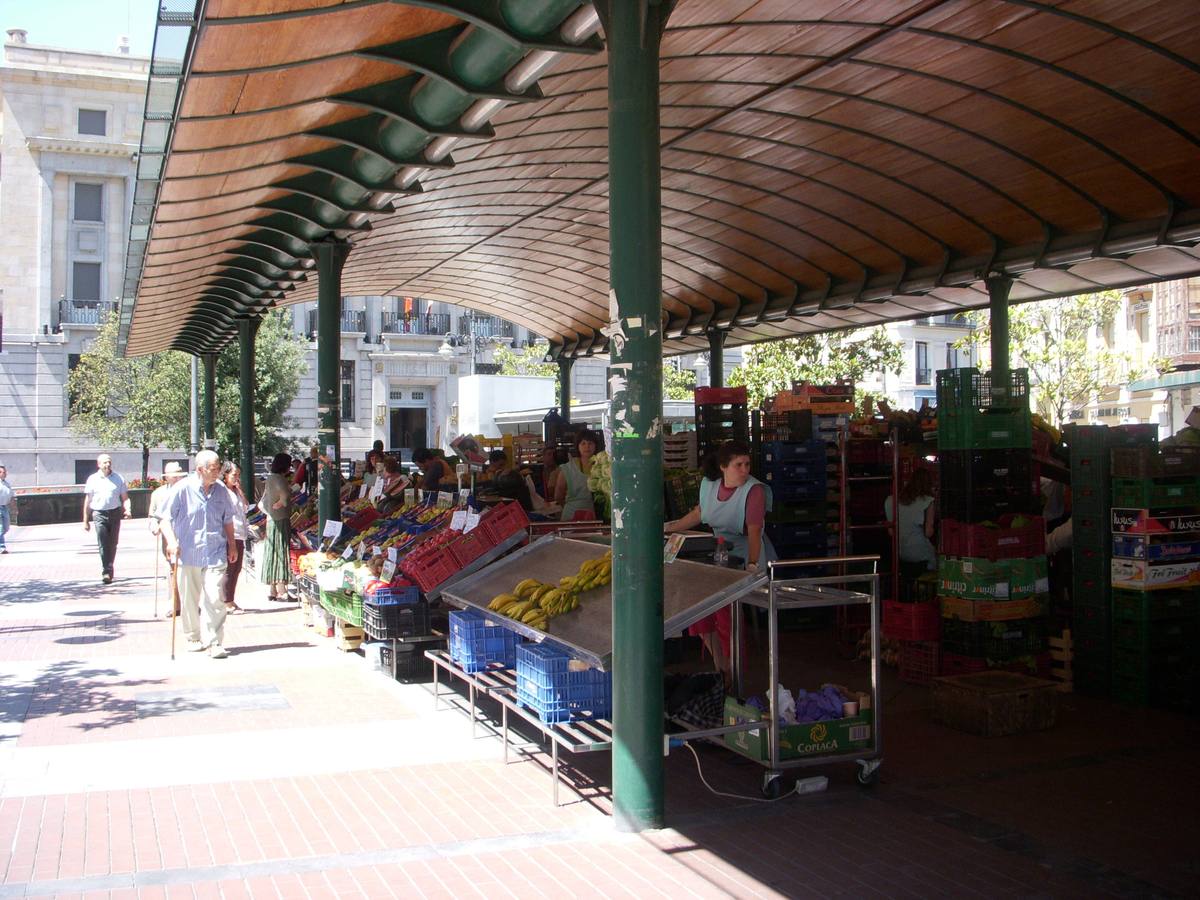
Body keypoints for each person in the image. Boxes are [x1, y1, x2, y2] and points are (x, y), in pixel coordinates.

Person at [665, 440, 776, 686]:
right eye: (739, 465)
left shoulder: (754, 491)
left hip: (746, 556)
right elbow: (698, 514)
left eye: (747, 464)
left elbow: (755, 531)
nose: (745, 470)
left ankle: (734, 675)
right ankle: (721, 668)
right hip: (717, 555)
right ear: (724, 467)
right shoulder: (709, 485)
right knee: (699, 612)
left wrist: (752, 566)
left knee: (727, 615)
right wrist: (669, 528)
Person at [159, 450, 239, 658]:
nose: (218, 472)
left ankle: (215, 642)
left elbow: (227, 519)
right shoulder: (182, 489)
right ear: (200, 469)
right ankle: (193, 636)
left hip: (215, 552)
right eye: (214, 469)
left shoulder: (221, 491)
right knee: (189, 599)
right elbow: (165, 519)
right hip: (189, 553)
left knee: (215, 597)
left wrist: (232, 544)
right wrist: (172, 541)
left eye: (219, 468)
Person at [884, 466, 937, 600]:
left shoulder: (891, 500)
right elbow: (928, 532)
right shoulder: (928, 501)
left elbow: (891, 532)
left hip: (900, 553)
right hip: (920, 553)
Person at [82, 453, 131, 583]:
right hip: (99, 514)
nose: (107, 464)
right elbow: (88, 501)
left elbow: (125, 497)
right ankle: (106, 570)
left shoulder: (118, 478)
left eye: (109, 462)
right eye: (104, 462)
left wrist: (128, 510)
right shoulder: (92, 479)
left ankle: (110, 566)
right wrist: (85, 520)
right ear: (99, 464)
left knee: (113, 543)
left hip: (114, 513)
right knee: (103, 543)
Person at [149, 462, 187, 617]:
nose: (178, 477)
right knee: (172, 570)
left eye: (179, 474)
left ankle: (189, 604)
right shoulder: (158, 494)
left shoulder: (188, 491)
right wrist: (154, 526)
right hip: (169, 537)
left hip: (187, 535)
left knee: (190, 570)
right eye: (174, 474)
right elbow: (153, 515)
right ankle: (174, 604)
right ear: (167, 477)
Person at [260, 452, 294, 601]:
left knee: (271, 552)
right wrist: (281, 503)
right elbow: (285, 495)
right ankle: (282, 587)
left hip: (270, 519)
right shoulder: (280, 479)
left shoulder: (270, 478)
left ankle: (272, 588)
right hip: (280, 518)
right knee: (281, 550)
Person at [221, 461, 250, 614]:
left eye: (238, 475)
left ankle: (230, 598)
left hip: (240, 532)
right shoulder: (221, 491)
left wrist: (240, 490)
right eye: (234, 475)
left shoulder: (236, 491)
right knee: (229, 568)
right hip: (228, 534)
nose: (236, 478)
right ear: (225, 475)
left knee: (237, 568)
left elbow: (245, 506)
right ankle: (226, 601)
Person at [555, 430, 600, 521]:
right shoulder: (567, 469)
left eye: (590, 443)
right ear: (577, 446)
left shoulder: (601, 468)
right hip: (570, 517)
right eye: (583, 443)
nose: (587, 447)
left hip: (592, 517)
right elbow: (558, 496)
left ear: (596, 446)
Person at [0, 464, 12, 553]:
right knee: (0, 527)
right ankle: (1, 547)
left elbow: (11, 496)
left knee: (6, 527)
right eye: (1, 472)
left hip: (4, 507)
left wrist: (14, 508)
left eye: (4, 472)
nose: (3, 474)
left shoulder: (6, 484)